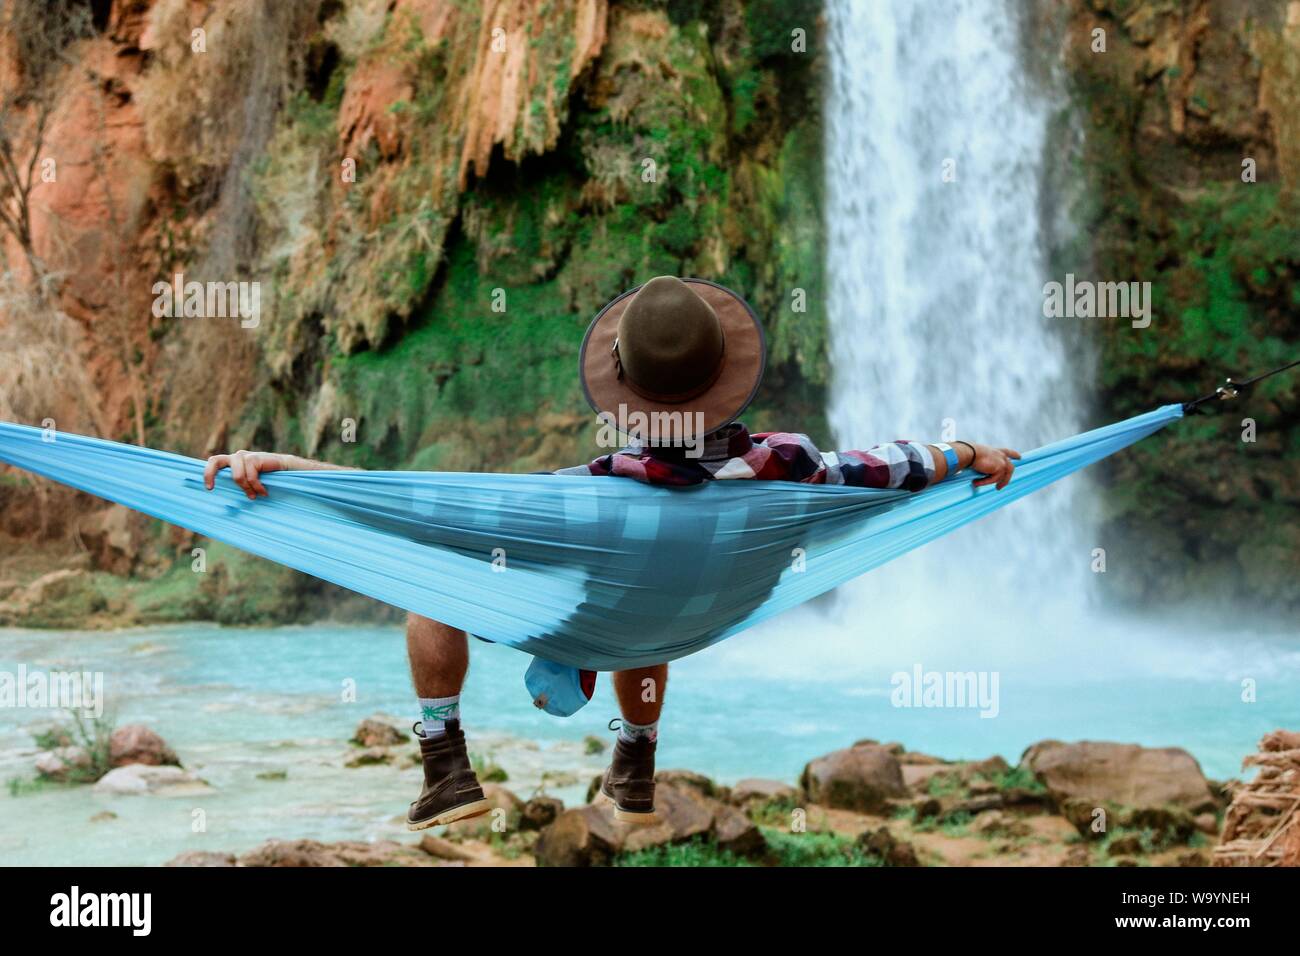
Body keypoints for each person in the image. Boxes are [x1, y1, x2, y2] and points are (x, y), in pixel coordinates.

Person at [203, 276, 1020, 828]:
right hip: (686, 623)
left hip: (606, 612)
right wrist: (967, 452)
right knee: (649, 607)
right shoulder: (797, 466)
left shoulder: (590, 494)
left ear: (627, 403)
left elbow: (417, 512)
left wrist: (296, 475)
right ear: (727, 380)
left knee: (434, 581)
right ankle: (634, 764)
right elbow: (892, 467)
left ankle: (446, 764)